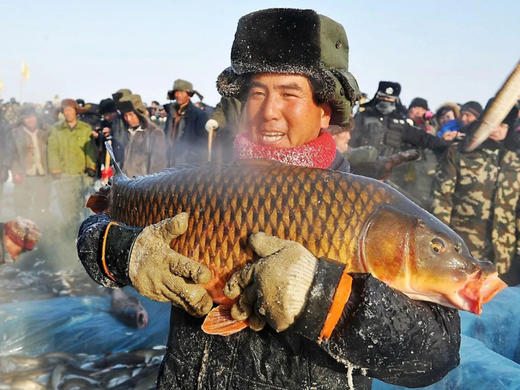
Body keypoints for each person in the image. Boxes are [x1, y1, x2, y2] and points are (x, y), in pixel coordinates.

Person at [77, 8, 460, 390]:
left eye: (289, 94)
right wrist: (126, 253)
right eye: (257, 93)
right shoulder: (203, 180)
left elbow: (436, 354)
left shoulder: (365, 204)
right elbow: (94, 231)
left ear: (325, 110)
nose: (268, 112)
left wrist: (321, 297)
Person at [432, 101, 520, 285]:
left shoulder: (515, 160)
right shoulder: (459, 152)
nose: (496, 129)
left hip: (503, 256)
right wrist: (440, 245)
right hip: (464, 251)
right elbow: (441, 200)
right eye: (493, 122)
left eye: (503, 124)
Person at [47, 99, 97, 239]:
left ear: (76, 112)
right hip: (64, 175)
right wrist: (55, 169)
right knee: (66, 206)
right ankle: (68, 234)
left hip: (82, 174)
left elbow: (90, 149)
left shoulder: (85, 128)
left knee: (82, 206)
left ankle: (82, 233)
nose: (68, 113)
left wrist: (91, 166)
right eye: (66, 111)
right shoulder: (56, 129)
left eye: (71, 110)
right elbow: (52, 149)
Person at [10, 105, 51, 223]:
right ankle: (24, 228)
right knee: (23, 203)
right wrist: (16, 171)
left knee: (42, 203)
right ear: (23, 120)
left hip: (42, 173)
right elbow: (13, 154)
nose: (30, 120)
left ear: (37, 118)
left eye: (32, 117)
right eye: (27, 118)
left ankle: (42, 225)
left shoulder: (44, 132)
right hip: (24, 174)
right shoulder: (16, 133)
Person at [117, 93, 167, 177]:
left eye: (131, 115)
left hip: (142, 186)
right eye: (125, 115)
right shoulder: (127, 133)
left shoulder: (155, 133)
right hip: (125, 185)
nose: (128, 119)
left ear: (139, 113)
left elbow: (158, 168)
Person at [164, 79, 208, 165]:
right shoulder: (171, 113)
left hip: (187, 164)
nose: (178, 95)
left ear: (189, 95)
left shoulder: (199, 114)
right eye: (176, 92)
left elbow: (202, 141)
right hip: (169, 160)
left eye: (181, 92)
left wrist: (192, 157)